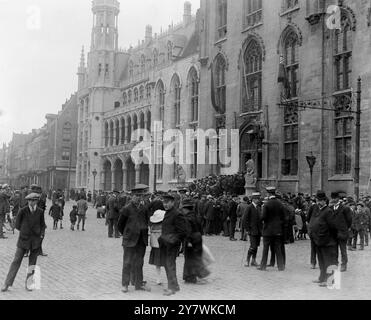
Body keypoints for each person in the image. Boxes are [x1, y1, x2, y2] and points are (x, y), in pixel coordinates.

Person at [1, 193, 46, 292]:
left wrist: (41, 234)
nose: (31, 202)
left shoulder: (40, 212)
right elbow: (17, 225)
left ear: (36, 201)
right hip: (23, 240)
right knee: (16, 261)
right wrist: (25, 231)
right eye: (30, 201)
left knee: (32, 263)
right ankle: (7, 284)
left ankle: (29, 284)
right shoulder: (23, 211)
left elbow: (43, 225)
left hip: (35, 241)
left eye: (33, 201)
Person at [118, 188, 151, 293]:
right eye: (136, 195)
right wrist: (127, 233)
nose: (138, 198)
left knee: (139, 263)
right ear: (132, 196)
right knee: (127, 262)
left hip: (141, 240)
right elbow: (120, 225)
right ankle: (125, 284)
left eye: (140, 196)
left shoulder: (144, 208)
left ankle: (138, 284)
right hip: (129, 240)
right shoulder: (126, 209)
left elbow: (146, 221)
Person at [158, 194, 190, 296]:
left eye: (167, 202)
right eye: (164, 202)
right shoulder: (168, 213)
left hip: (172, 245)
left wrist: (173, 240)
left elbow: (183, 232)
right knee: (168, 265)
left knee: (170, 265)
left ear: (173, 202)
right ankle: (174, 286)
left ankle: (171, 288)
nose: (165, 205)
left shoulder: (177, 214)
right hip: (166, 243)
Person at [309, 191, 338, 287]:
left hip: (327, 241)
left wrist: (328, 238)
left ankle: (330, 280)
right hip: (318, 240)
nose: (318, 202)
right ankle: (321, 278)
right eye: (317, 200)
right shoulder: (317, 209)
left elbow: (333, 227)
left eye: (320, 200)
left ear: (325, 200)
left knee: (328, 262)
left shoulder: (328, 211)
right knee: (321, 261)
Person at [258, 187, 287, 271]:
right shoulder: (280, 203)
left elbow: (263, 217)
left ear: (268, 194)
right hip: (278, 230)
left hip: (268, 230)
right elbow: (285, 217)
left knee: (266, 248)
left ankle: (263, 266)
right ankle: (280, 266)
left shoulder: (266, 204)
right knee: (278, 248)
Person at [182, 198, 210, 284]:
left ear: (186, 209)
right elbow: (201, 229)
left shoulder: (187, 218)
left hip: (191, 240)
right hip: (198, 238)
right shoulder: (196, 216)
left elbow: (187, 231)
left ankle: (190, 277)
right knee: (196, 257)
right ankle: (195, 275)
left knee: (189, 258)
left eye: (183, 208)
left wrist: (189, 241)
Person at [330, 192, 353, 272]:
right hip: (333, 233)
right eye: (332, 198)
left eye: (334, 198)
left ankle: (344, 264)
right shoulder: (331, 208)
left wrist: (345, 228)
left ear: (338, 199)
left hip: (342, 232)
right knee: (334, 250)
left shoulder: (345, 208)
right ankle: (335, 264)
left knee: (343, 250)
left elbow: (349, 220)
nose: (333, 199)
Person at [243, 193, 262, 267]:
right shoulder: (249, 207)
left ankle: (253, 260)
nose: (258, 200)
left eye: (258, 198)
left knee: (256, 246)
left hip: (258, 230)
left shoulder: (259, 207)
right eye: (257, 199)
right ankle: (247, 261)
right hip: (252, 230)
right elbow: (244, 219)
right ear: (253, 199)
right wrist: (247, 229)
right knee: (253, 246)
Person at [149, 209, 166, 285]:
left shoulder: (152, 226)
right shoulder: (164, 226)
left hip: (155, 247)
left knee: (157, 264)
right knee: (166, 262)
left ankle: (158, 278)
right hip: (163, 247)